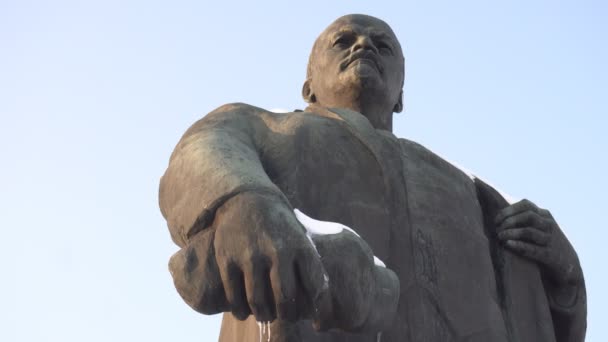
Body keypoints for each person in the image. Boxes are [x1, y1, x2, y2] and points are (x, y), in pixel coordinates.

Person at [159, 14, 586, 342]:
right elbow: (202, 150)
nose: (364, 45)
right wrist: (245, 201)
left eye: (383, 46)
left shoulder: (472, 192)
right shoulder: (263, 128)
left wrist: (561, 271)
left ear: (402, 94)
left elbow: (541, 324)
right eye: (343, 41)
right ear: (308, 85)